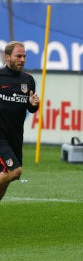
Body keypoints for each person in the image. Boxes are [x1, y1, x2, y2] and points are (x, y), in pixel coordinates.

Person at [0, 41, 40, 200]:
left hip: (15, 137)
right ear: (7, 57)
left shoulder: (28, 80)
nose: (22, 59)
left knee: (7, 180)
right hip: (0, 136)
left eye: (24, 56)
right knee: (15, 171)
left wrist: (33, 105)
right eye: (18, 56)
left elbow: (31, 108)